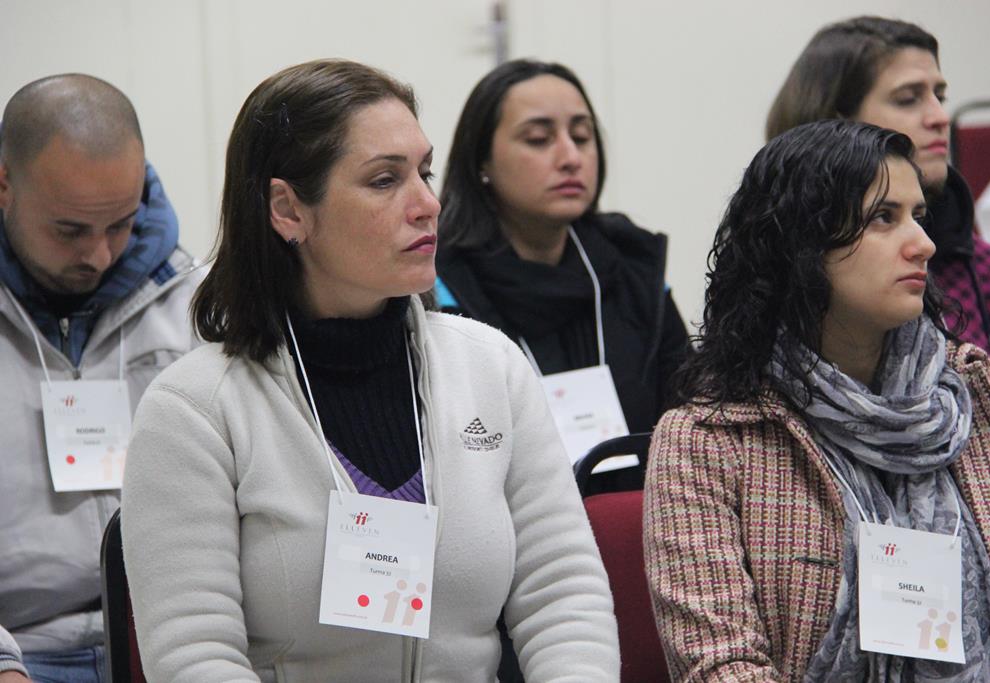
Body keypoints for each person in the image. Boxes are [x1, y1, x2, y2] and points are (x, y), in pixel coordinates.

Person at [119, 59, 618, 682]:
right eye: (385, 180)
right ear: (289, 210)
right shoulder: (196, 409)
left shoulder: (490, 367)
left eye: (424, 173)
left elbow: (564, 596)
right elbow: (195, 657)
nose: (428, 205)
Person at [644, 120, 990, 680]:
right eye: (883, 218)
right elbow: (720, 666)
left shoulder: (985, 398)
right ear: (801, 243)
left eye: (917, 216)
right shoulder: (708, 441)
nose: (924, 244)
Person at [0, 75, 204, 683]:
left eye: (121, 224)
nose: (99, 255)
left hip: (167, 638)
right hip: (21, 648)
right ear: (4, 185)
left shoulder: (195, 306)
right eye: (69, 230)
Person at [435, 59, 690, 484]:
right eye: (539, 139)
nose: (571, 157)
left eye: (582, 137)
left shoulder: (635, 268)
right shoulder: (438, 287)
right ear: (481, 161)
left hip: (644, 510)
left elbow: (691, 420)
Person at [766, 16, 990, 385]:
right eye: (908, 99)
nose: (939, 117)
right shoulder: (763, 268)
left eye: (940, 97)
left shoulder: (988, 273)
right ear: (836, 124)